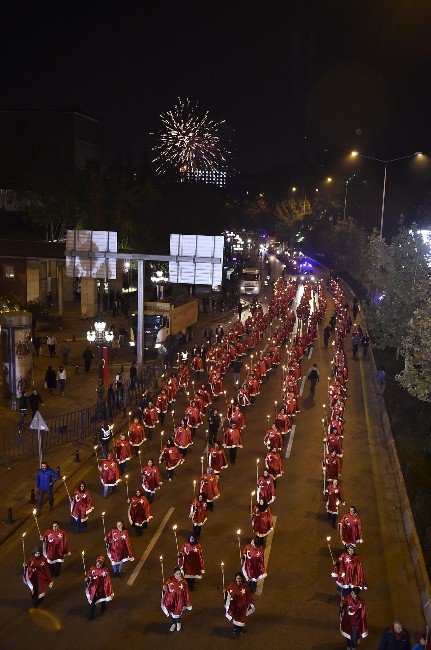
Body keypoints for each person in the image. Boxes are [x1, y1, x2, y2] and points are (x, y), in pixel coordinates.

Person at [225, 571, 255, 636]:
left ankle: (240, 630)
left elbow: (249, 596)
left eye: (240, 578)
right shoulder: (231, 586)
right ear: (235, 579)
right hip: (235, 606)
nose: (238, 580)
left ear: (242, 579)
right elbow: (228, 595)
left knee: (241, 619)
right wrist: (225, 594)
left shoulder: (245, 587)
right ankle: (235, 630)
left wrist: (250, 603)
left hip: (243, 607)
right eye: (237, 578)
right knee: (235, 618)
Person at [85, 556, 114, 620]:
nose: (98, 565)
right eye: (97, 563)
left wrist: (106, 588)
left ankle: (103, 607)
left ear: (102, 564)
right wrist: (87, 577)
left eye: (100, 564)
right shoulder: (93, 568)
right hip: (94, 589)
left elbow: (107, 579)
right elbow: (89, 574)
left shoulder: (105, 570)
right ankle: (91, 615)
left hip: (101, 588)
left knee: (102, 598)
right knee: (93, 602)